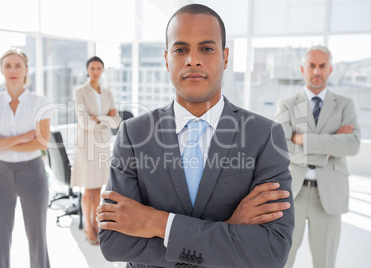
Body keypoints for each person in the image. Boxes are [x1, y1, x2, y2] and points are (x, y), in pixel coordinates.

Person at [96, 4, 294, 268]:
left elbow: (272, 251)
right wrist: (228, 229)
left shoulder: (265, 135)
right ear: (167, 59)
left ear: (225, 57)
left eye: (207, 48)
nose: (193, 60)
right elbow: (114, 243)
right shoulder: (134, 134)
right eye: (181, 50)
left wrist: (157, 223)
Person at [275, 46, 361, 268]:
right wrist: (329, 147)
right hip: (292, 193)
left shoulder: (345, 105)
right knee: (282, 259)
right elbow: (280, 148)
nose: (317, 71)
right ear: (303, 69)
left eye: (322, 66)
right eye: (312, 66)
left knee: (325, 263)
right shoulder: (286, 105)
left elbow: (351, 144)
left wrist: (303, 140)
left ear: (330, 69)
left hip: (330, 195)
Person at [0, 49, 51, 268]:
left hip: (33, 174)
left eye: (18, 65)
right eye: (8, 65)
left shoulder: (40, 102)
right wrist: (22, 138)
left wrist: (1, 141)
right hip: (0, 175)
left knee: (38, 238)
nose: (13, 70)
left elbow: (42, 143)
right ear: (1, 70)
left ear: (26, 70)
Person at [71, 56, 120, 245]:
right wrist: (105, 119)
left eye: (99, 68)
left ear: (102, 70)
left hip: (102, 146)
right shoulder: (80, 91)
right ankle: (88, 226)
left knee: (99, 189)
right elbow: (83, 123)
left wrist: (97, 119)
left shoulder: (107, 93)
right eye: (92, 68)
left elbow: (116, 121)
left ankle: (96, 223)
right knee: (88, 190)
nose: (95, 71)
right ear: (87, 70)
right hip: (86, 147)